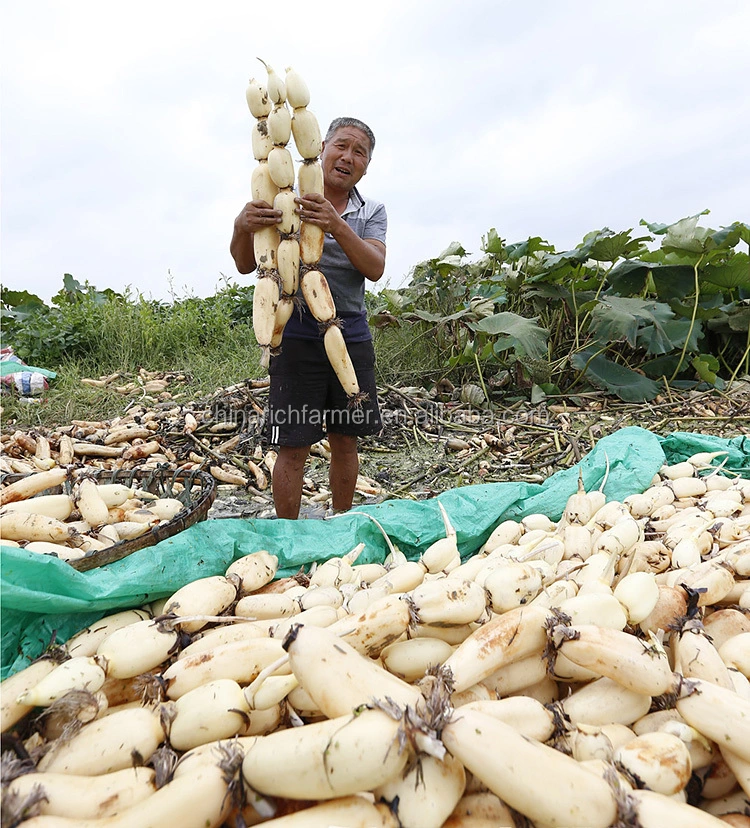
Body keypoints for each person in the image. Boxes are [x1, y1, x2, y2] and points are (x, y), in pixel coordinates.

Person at [230, 117, 387, 519]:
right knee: (293, 443)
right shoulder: (285, 197)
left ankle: (341, 521)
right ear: (320, 145)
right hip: (295, 331)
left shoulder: (371, 211)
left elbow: (374, 267)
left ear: (367, 165)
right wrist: (240, 227)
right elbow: (248, 265)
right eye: (342, 146)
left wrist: (334, 224)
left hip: (349, 332)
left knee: (345, 439)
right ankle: (288, 533)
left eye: (360, 152)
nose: (348, 157)